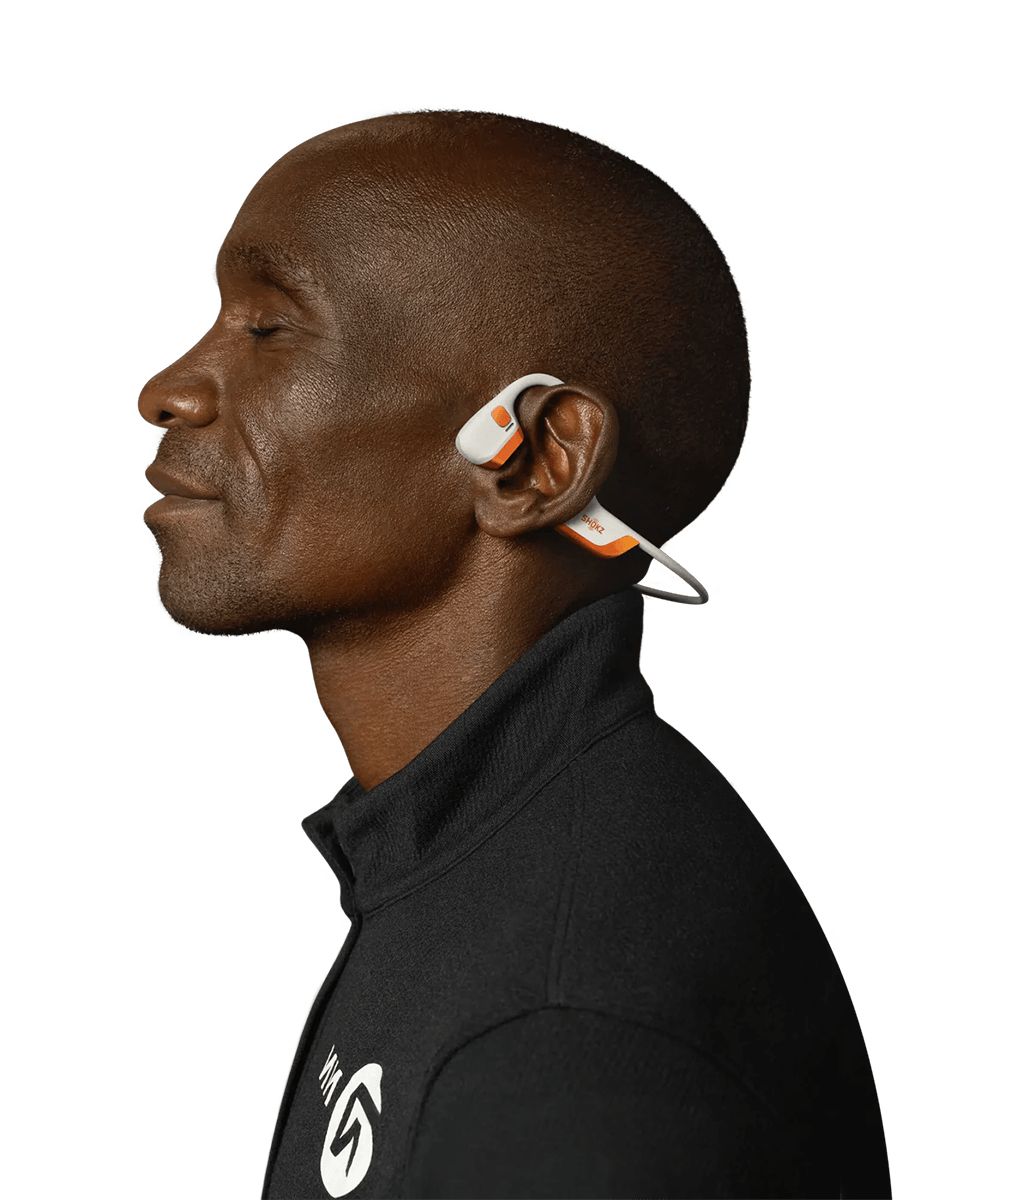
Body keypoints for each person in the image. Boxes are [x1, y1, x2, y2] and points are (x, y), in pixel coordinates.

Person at [138, 110, 891, 1199]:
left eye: (270, 329)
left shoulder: (572, 1024)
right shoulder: (471, 865)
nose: (170, 388)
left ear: (533, 460)